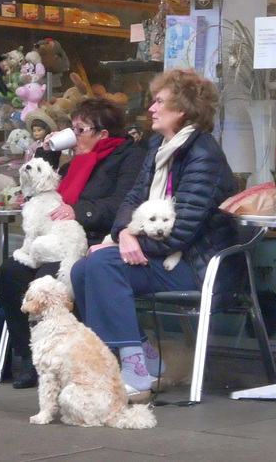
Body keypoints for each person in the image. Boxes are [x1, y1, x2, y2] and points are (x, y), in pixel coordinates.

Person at [70, 68, 238, 402]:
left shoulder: (203, 154)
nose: (151, 108)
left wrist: (128, 242)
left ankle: (134, 372)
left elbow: (182, 233)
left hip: (194, 266)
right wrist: (123, 234)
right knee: (82, 268)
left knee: (102, 265)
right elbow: (130, 200)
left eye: (159, 101)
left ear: (182, 111)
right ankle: (141, 356)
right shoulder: (160, 148)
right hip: (163, 256)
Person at [0, 97, 146, 389]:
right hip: (56, 237)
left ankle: (62, 358)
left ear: (102, 133)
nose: (73, 134)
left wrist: (79, 211)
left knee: (46, 278)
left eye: (80, 129)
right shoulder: (73, 160)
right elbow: (44, 185)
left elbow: (121, 202)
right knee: (10, 272)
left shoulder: (129, 157)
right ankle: (29, 356)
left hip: (95, 240)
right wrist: (48, 150)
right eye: (72, 128)